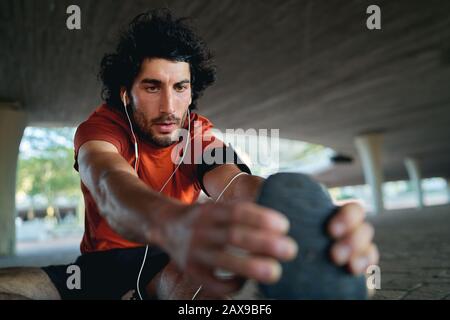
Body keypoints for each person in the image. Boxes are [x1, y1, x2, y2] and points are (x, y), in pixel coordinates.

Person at [0, 8, 378, 300]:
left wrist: (309, 221)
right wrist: (170, 221)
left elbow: (234, 184)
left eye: (180, 87)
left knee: (215, 280)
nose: (169, 106)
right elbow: (108, 183)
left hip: (173, 258)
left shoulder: (197, 132)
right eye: (152, 87)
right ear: (124, 93)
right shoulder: (101, 129)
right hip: (101, 266)